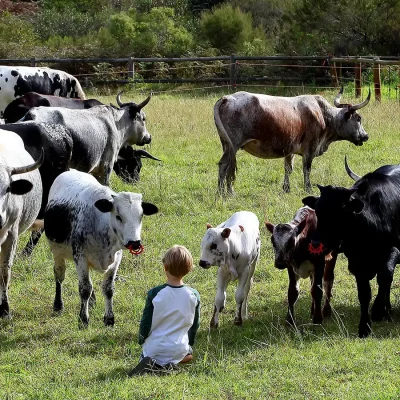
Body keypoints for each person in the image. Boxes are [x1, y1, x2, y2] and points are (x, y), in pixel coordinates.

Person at [128, 245, 200, 376]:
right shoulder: (194, 295)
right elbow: (194, 325)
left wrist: (141, 340)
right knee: (189, 355)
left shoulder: (155, 293)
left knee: (147, 354)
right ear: (189, 269)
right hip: (179, 349)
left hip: (154, 349)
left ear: (165, 267)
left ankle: (152, 364)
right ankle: (171, 364)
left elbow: (146, 323)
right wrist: (190, 344)